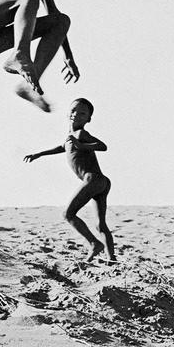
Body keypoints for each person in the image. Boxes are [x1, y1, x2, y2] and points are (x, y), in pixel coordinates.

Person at [24, 98, 115, 262]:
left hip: (92, 179)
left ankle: (95, 244)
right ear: (68, 113)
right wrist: (38, 154)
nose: (76, 115)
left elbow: (102, 146)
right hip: (101, 182)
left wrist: (83, 146)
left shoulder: (81, 134)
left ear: (89, 119)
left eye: (82, 113)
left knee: (68, 214)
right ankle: (112, 258)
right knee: (100, 224)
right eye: (73, 111)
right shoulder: (70, 137)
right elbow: (62, 147)